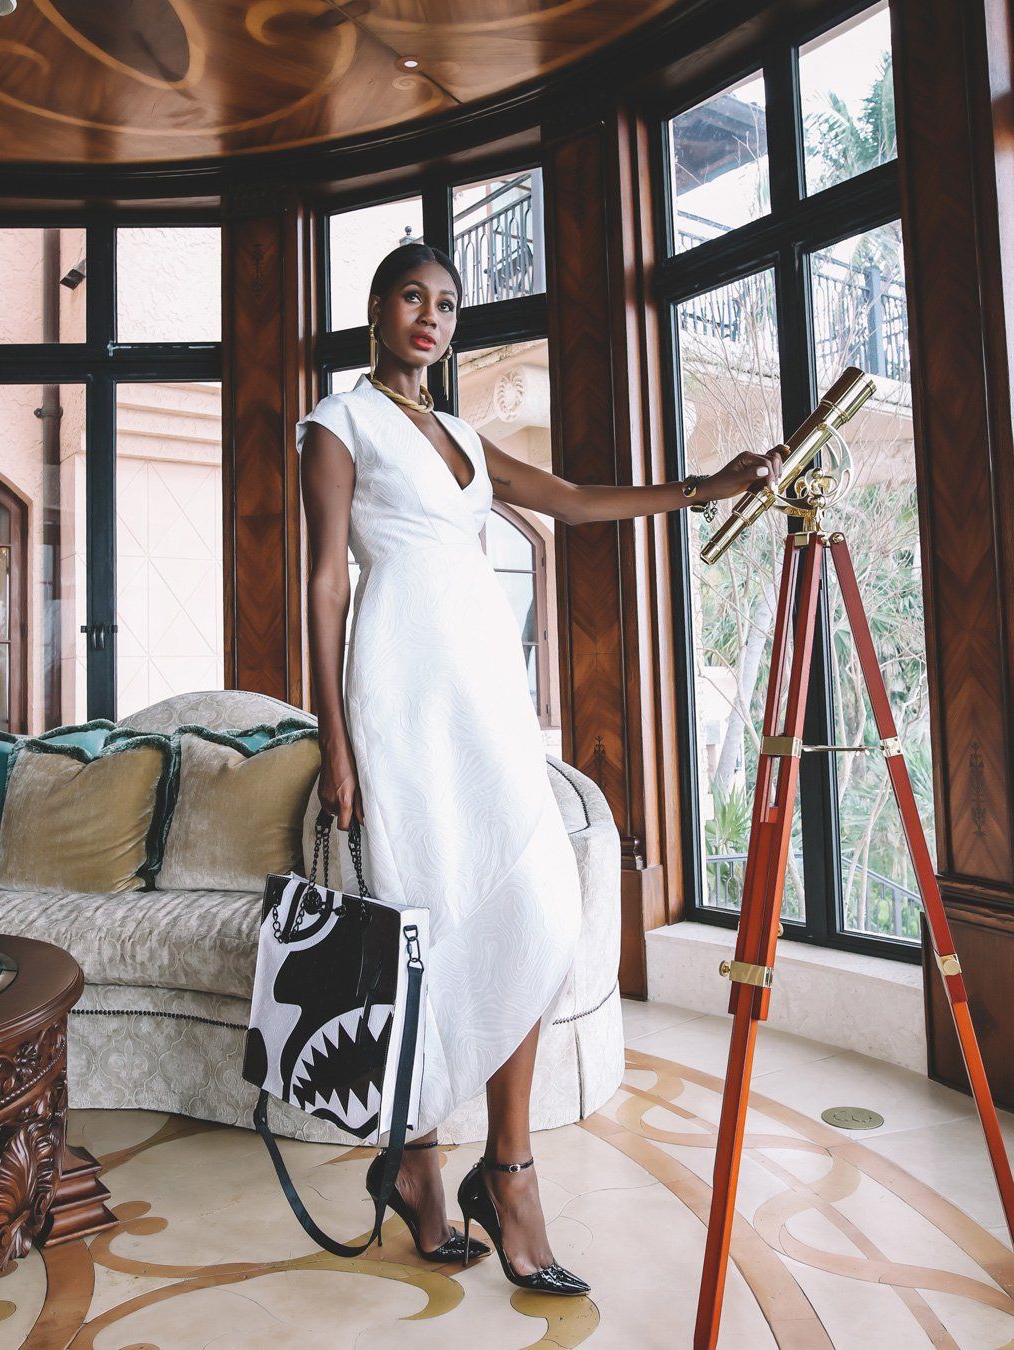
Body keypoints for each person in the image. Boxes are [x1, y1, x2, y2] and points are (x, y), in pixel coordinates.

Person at [294, 243, 783, 1296]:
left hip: (487, 697)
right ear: (377, 308)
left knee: (538, 906)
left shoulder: (465, 438)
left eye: (447, 304)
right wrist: (335, 739)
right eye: (413, 297)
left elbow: (571, 498)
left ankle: (503, 1165)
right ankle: (425, 1163)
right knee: (425, 921)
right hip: (401, 695)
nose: (432, 318)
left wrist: (705, 487)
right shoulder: (340, 424)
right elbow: (328, 583)